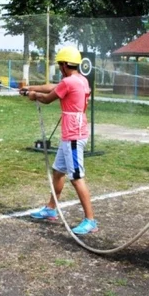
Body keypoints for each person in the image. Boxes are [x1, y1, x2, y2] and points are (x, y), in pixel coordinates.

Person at [21, 46, 98, 235]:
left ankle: (90, 220)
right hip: (70, 134)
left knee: (77, 178)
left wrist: (34, 96)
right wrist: (30, 88)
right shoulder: (80, 79)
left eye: (60, 65)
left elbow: (48, 98)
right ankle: (50, 209)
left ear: (64, 65)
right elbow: (55, 87)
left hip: (73, 135)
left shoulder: (70, 82)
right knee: (58, 172)